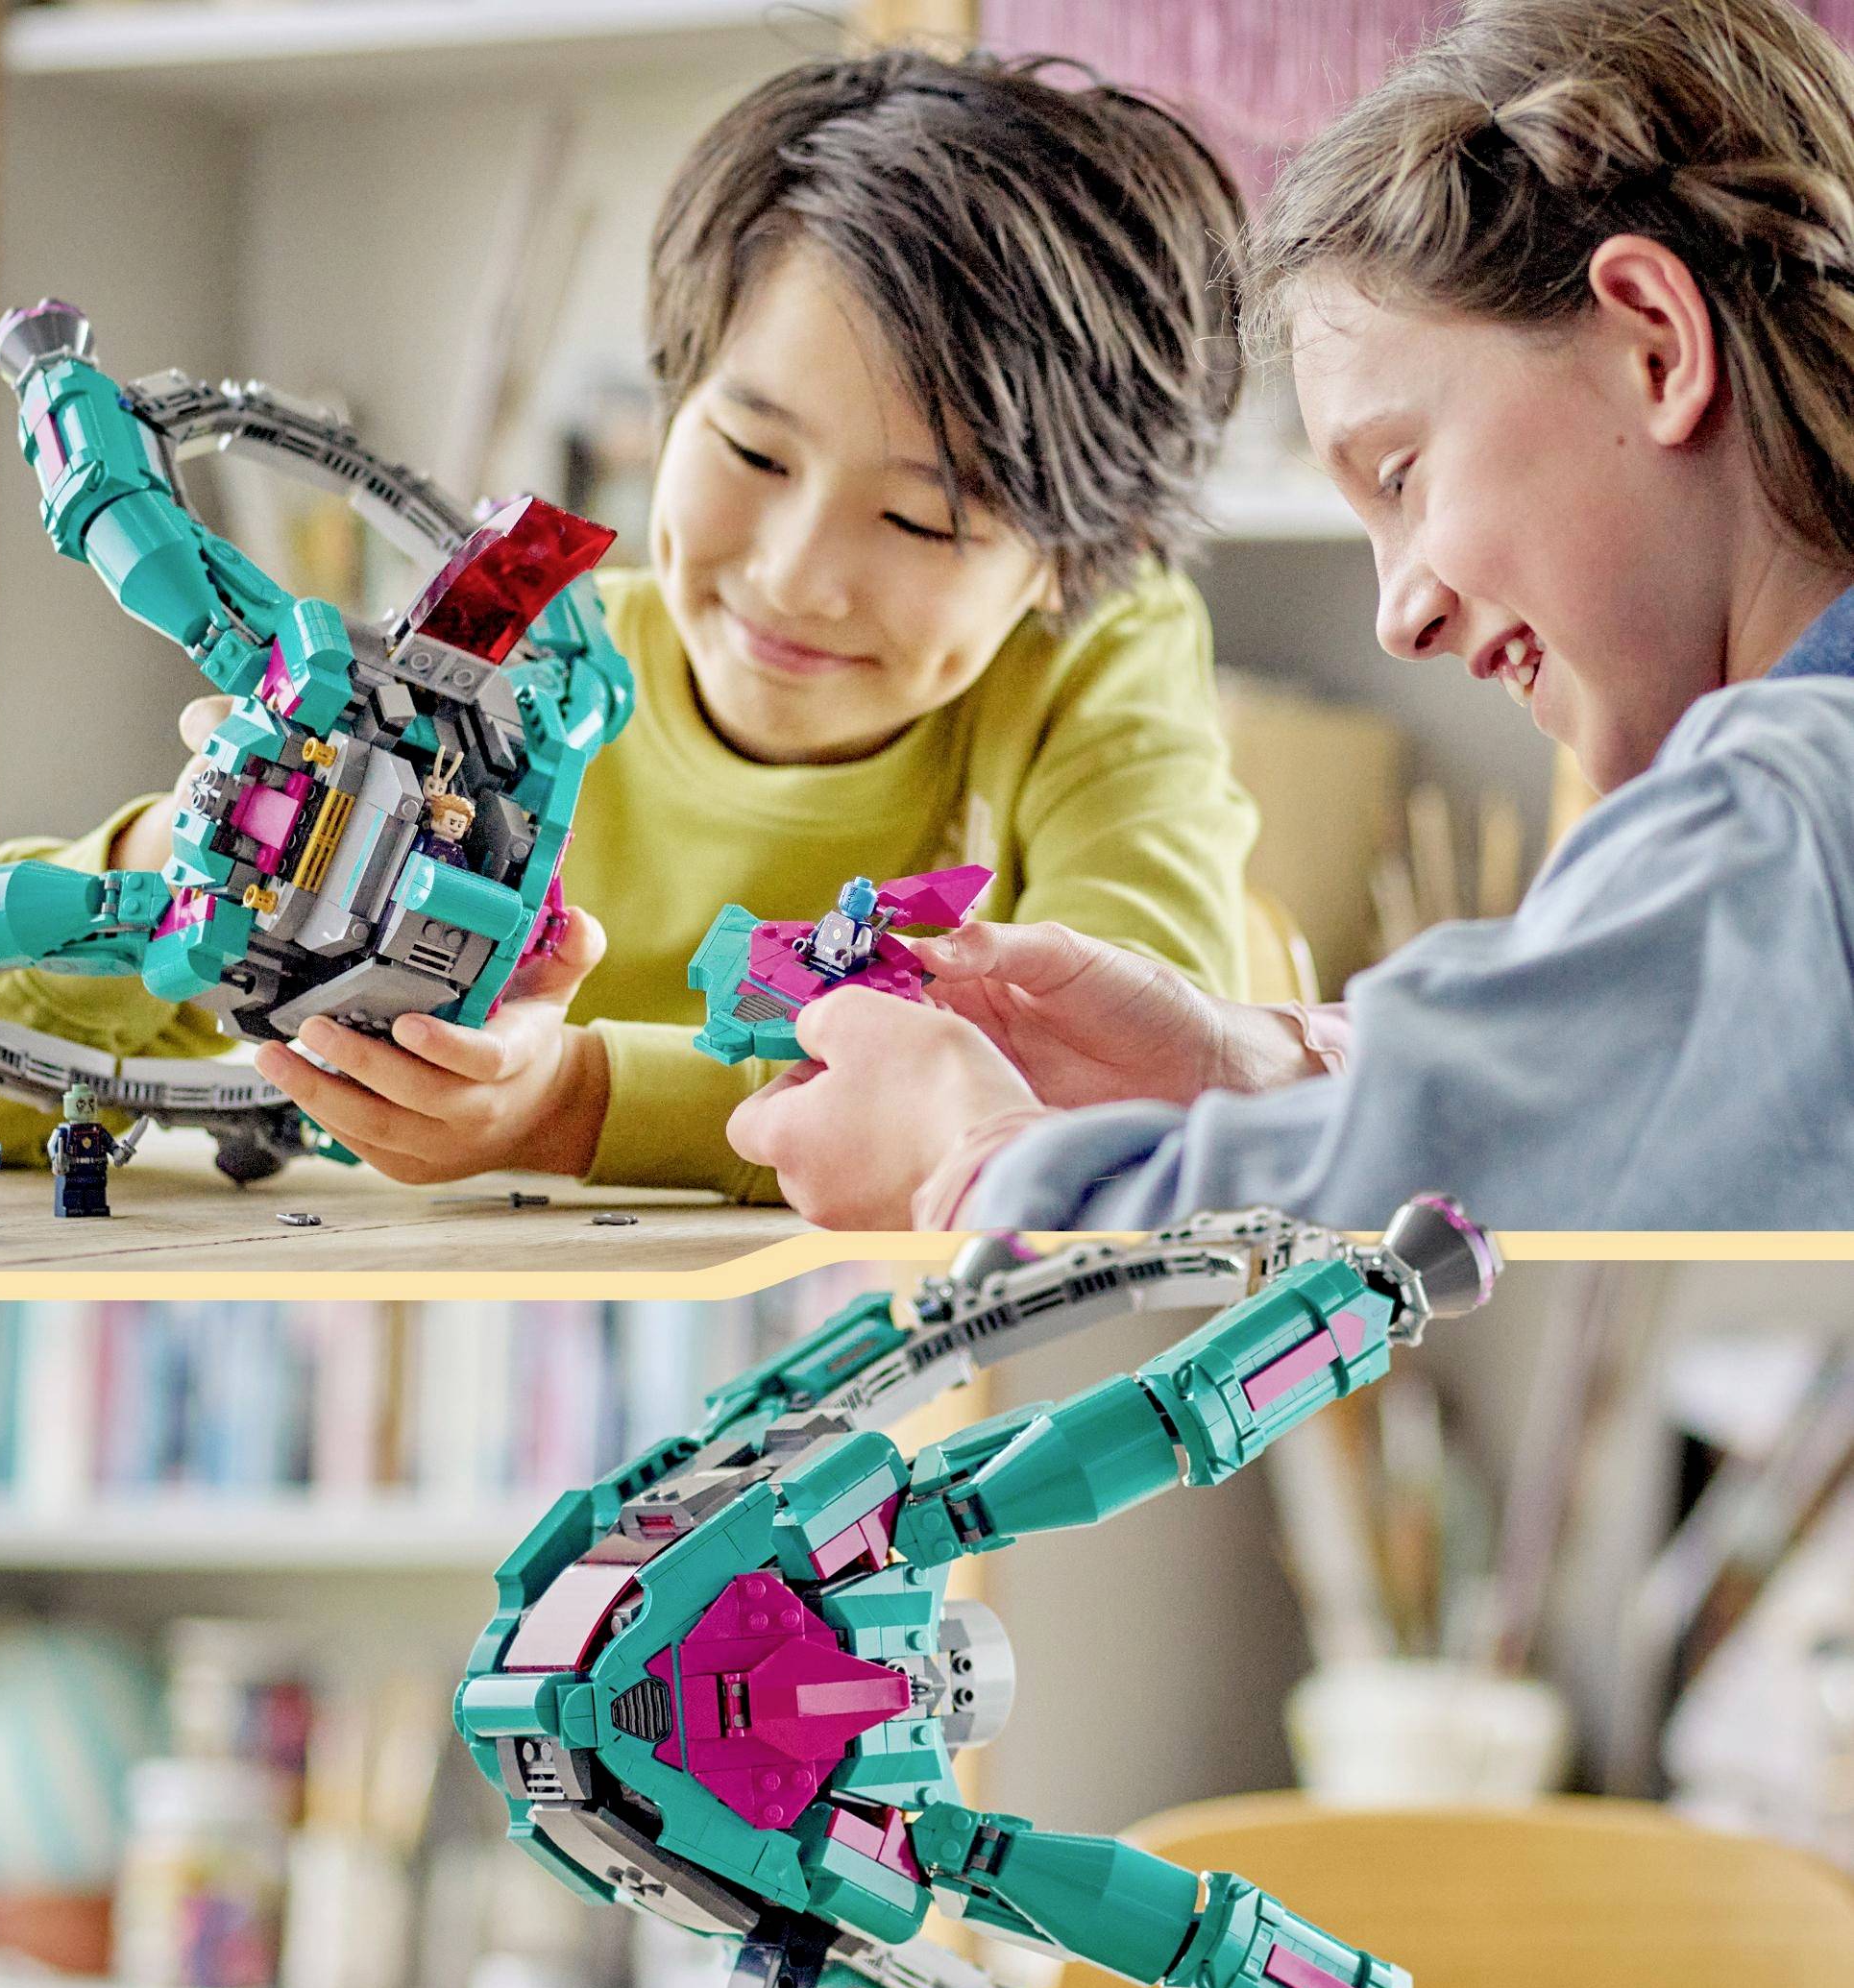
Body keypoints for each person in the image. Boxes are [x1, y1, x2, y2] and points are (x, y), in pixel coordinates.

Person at [0, 47, 1258, 1200]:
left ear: (1085, 554)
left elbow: (1115, 1090)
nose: (797, 574)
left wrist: (572, 1106)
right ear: (669, 402)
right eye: (752, 455)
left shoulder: (1094, 662)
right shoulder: (511, 686)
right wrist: (179, 861)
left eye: (927, 521)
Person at [733, 0, 1854, 1230]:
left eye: (1400, 474)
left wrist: (974, 1162)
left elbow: (1396, 1236)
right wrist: (1256, 1067)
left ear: (1654, 345)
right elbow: (1588, 1089)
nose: (1399, 618)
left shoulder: (1777, 815)